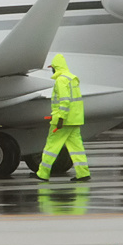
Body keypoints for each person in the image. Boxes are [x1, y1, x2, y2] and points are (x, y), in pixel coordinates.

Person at [36, 53, 89, 183]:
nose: (52, 70)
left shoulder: (61, 80)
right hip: (75, 120)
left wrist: (60, 118)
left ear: (56, 67)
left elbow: (64, 101)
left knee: (51, 147)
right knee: (77, 148)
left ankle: (43, 173)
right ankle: (83, 173)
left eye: (52, 67)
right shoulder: (72, 78)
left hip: (64, 121)